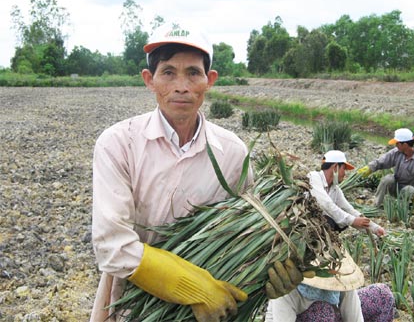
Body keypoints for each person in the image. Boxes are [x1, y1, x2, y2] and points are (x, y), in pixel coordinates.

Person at [90, 21, 254, 322]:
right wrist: (194, 288)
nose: (181, 86)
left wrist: (271, 266)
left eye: (193, 73)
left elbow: (246, 231)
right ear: (149, 80)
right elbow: (112, 244)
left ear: (210, 79)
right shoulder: (118, 144)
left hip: (212, 310)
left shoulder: (232, 154)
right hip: (133, 303)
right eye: (168, 73)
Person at [265, 251, 395, 322]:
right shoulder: (288, 287)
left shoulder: (340, 279)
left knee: (382, 294)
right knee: (323, 311)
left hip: (333, 316)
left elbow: (354, 318)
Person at [308, 150, 386, 236]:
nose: (344, 174)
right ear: (335, 167)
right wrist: (352, 221)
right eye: (344, 169)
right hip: (306, 223)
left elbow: (349, 210)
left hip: (318, 224)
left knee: (341, 222)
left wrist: (375, 228)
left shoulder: (335, 189)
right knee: (329, 221)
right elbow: (325, 203)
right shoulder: (314, 177)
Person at [357, 128, 414, 207]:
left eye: (397, 143)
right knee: (388, 178)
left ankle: (401, 209)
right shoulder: (396, 152)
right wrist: (369, 168)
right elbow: (381, 161)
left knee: (410, 190)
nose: (396, 145)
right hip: (396, 186)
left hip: (408, 191)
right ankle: (376, 205)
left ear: (404, 144)